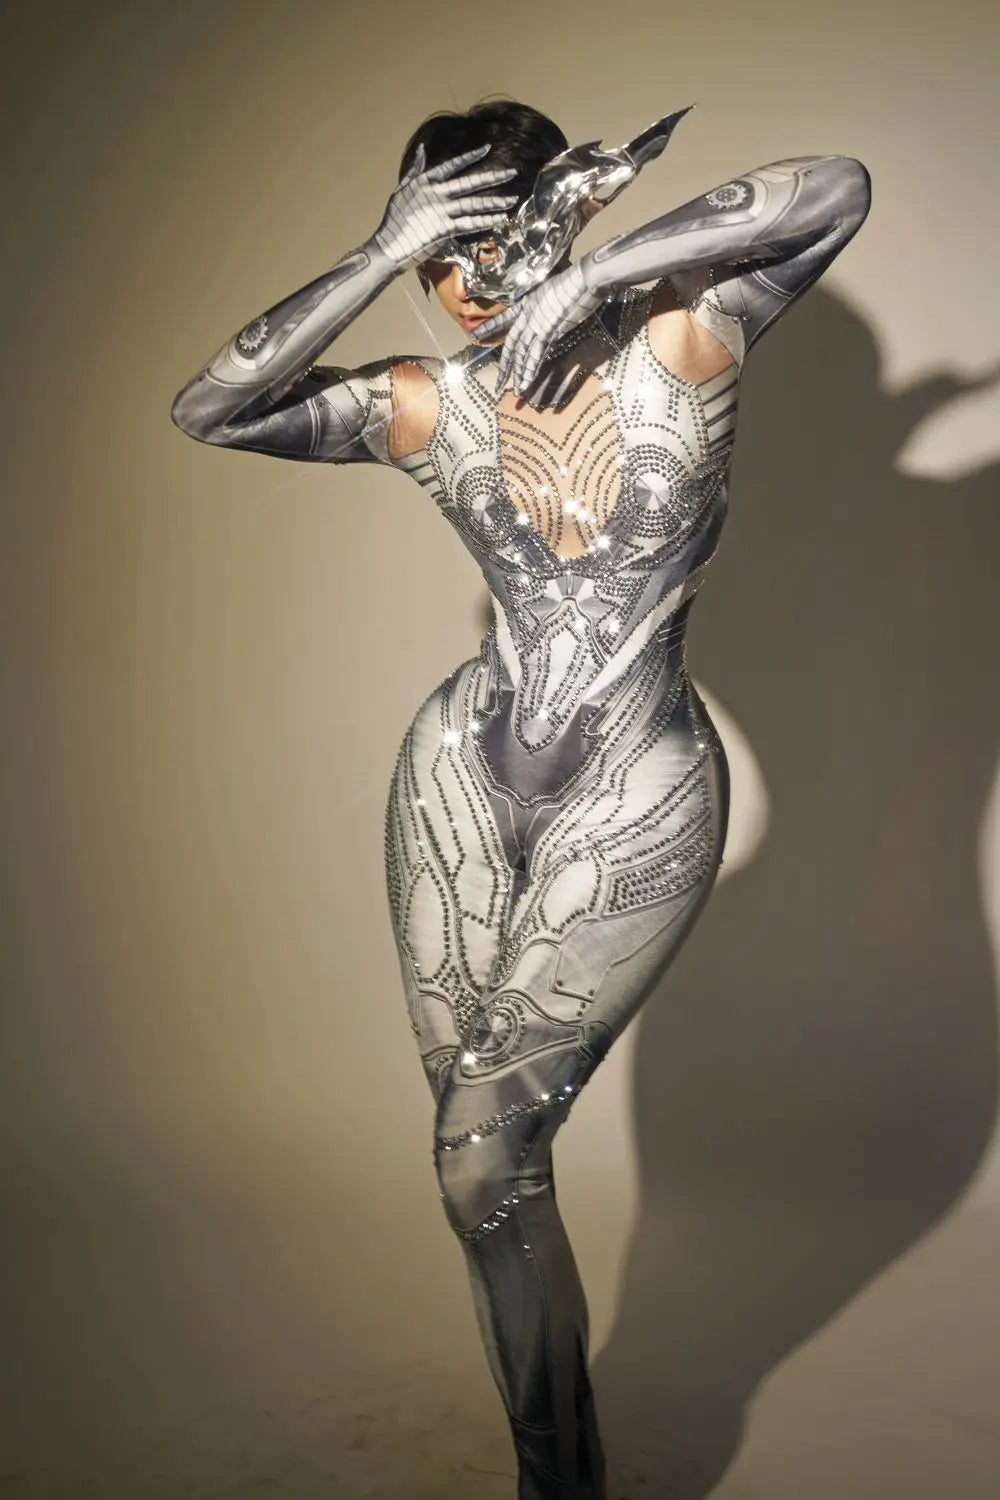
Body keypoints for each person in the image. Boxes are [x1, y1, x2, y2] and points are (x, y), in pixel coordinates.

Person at [170, 97, 871, 1500]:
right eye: (441, 256)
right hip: (457, 786)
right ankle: (562, 1478)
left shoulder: (685, 337)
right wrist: (379, 251)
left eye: (495, 240)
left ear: (570, 209)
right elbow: (209, 409)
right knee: (487, 1187)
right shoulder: (432, 407)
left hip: (638, 794)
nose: (467, 283)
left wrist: (594, 270)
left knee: (477, 1161)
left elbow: (835, 185)